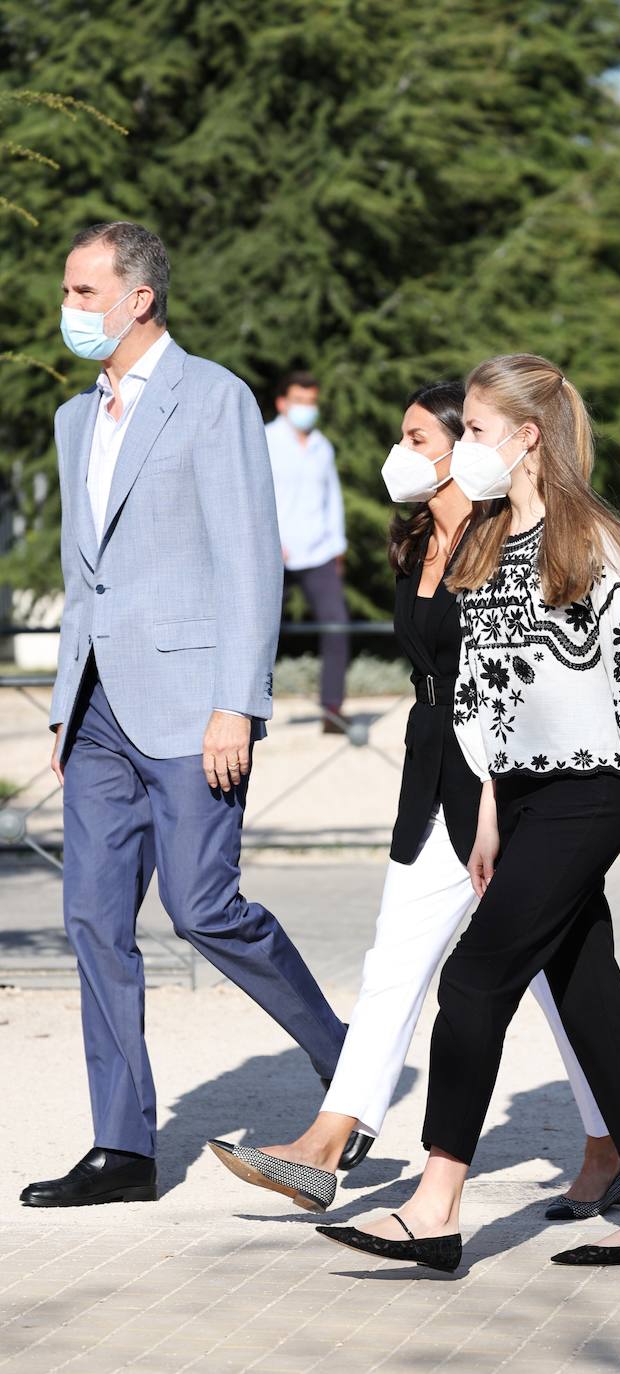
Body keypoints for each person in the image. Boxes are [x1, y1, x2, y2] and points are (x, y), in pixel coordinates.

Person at [207, 381, 620, 1217]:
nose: (400, 454)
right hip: (428, 771)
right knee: (395, 959)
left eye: (416, 437)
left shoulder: (507, 535)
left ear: (457, 447)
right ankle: (326, 1145)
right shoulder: (411, 544)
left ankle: (611, 1143)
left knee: (558, 976)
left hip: (504, 781)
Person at [317, 353, 620, 1273]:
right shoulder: (486, 548)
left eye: (477, 431)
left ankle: (435, 1206)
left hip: (590, 794)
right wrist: (486, 806)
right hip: (516, 797)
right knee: (587, 996)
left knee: (476, 979)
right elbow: (484, 694)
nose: (466, 449)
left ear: (527, 437)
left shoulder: (593, 542)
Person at [20, 222, 347, 1210]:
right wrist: (63, 704)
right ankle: (122, 1148)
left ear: (138, 299)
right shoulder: (79, 419)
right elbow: (87, 579)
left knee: (202, 908)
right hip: (97, 713)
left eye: (83, 293)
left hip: (192, 702)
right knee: (91, 918)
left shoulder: (214, 399)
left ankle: (353, 1068)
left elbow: (250, 560)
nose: (69, 310)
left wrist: (236, 707)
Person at [266, 371, 349, 731]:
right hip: (274, 554)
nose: (307, 408)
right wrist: (267, 540)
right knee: (259, 631)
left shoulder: (322, 446)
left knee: (337, 627)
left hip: (319, 554)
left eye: (312, 401)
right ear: (282, 403)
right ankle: (247, 708)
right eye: (300, 401)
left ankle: (332, 710)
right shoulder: (264, 440)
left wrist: (338, 547)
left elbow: (332, 499)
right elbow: (254, 496)